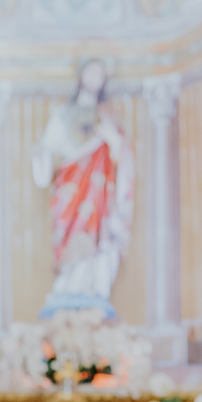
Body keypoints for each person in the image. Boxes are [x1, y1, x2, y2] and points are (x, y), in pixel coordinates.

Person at [31, 57, 134, 319]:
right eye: (90, 73)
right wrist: (40, 156)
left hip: (98, 189)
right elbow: (47, 153)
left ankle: (91, 288)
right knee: (70, 233)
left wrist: (111, 140)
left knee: (97, 238)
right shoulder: (62, 115)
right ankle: (68, 284)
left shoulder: (107, 116)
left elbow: (122, 155)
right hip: (71, 186)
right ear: (80, 76)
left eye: (99, 74)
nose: (94, 79)